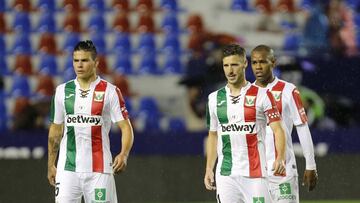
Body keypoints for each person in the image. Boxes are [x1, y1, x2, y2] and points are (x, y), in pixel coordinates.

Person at [47, 40, 134, 203]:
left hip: (99, 171)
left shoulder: (110, 91)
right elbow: (55, 130)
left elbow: (126, 127)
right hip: (67, 170)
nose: (79, 65)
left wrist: (124, 154)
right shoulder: (62, 91)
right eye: (76, 60)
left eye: (84, 60)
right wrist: (51, 164)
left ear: (96, 63)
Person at [204, 44, 286, 203]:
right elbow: (213, 134)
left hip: (256, 176)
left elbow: (278, 130)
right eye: (226, 65)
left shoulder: (262, 95)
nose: (230, 70)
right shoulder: (214, 99)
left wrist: (280, 157)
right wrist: (209, 168)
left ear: (245, 64)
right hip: (226, 176)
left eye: (234, 64)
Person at [250, 45, 318, 203]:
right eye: (254, 62)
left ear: (273, 63)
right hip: (255, 172)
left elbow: (302, 127)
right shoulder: (246, 93)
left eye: (263, 62)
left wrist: (311, 164)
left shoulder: (288, 90)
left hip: (284, 168)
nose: (258, 67)